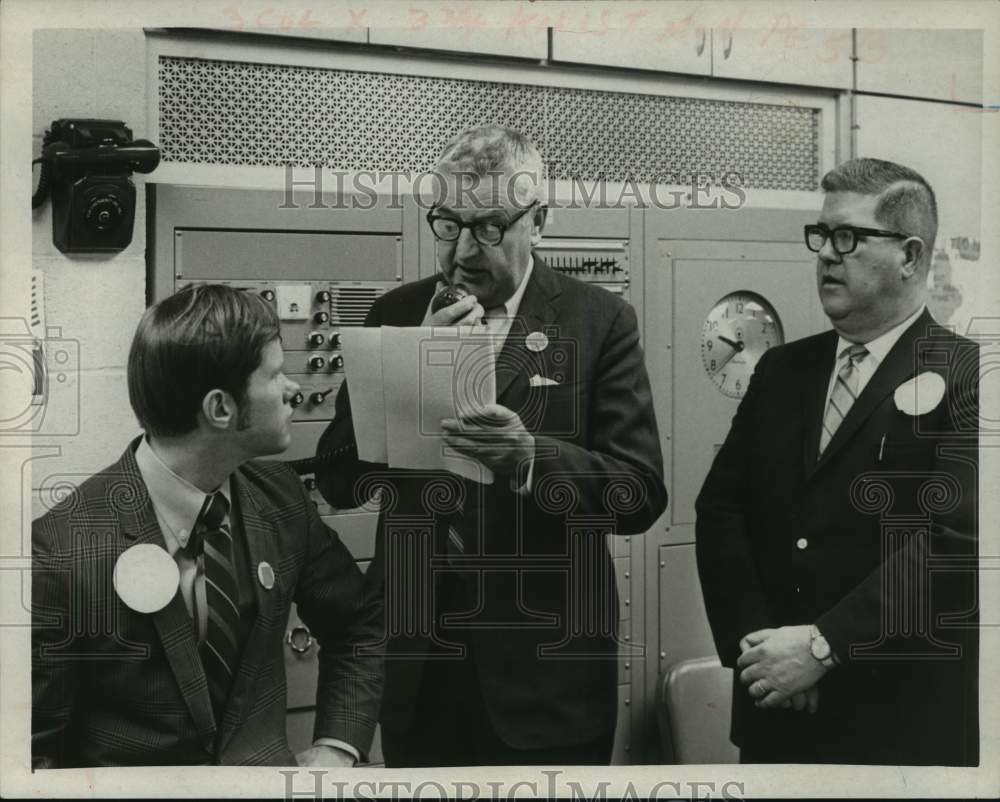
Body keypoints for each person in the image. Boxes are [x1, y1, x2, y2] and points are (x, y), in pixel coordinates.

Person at [315, 125, 667, 766]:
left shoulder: (600, 321)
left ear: (540, 220)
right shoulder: (396, 313)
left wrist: (532, 458)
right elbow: (338, 479)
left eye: (489, 227)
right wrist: (409, 366)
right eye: (447, 224)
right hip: (419, 671)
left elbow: (638, 492)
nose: (464, 250)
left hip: (546, 678)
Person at [695, 158, 978, 765]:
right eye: (821, 235)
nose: (826, 253)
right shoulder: (781, 370)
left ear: (909, 255)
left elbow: (954, 543)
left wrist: (822, 648)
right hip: (777, 716)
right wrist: (764, 658)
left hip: (899, 726)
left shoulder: (970, 376)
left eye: (848, 237)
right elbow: (720, 510)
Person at [32, 284, 383, 767]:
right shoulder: (61, 549)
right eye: (276, 375)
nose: (293, 390)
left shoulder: (279, 495)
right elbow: (33, 755)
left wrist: (337, 746)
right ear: (220, 409)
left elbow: (361, 622)